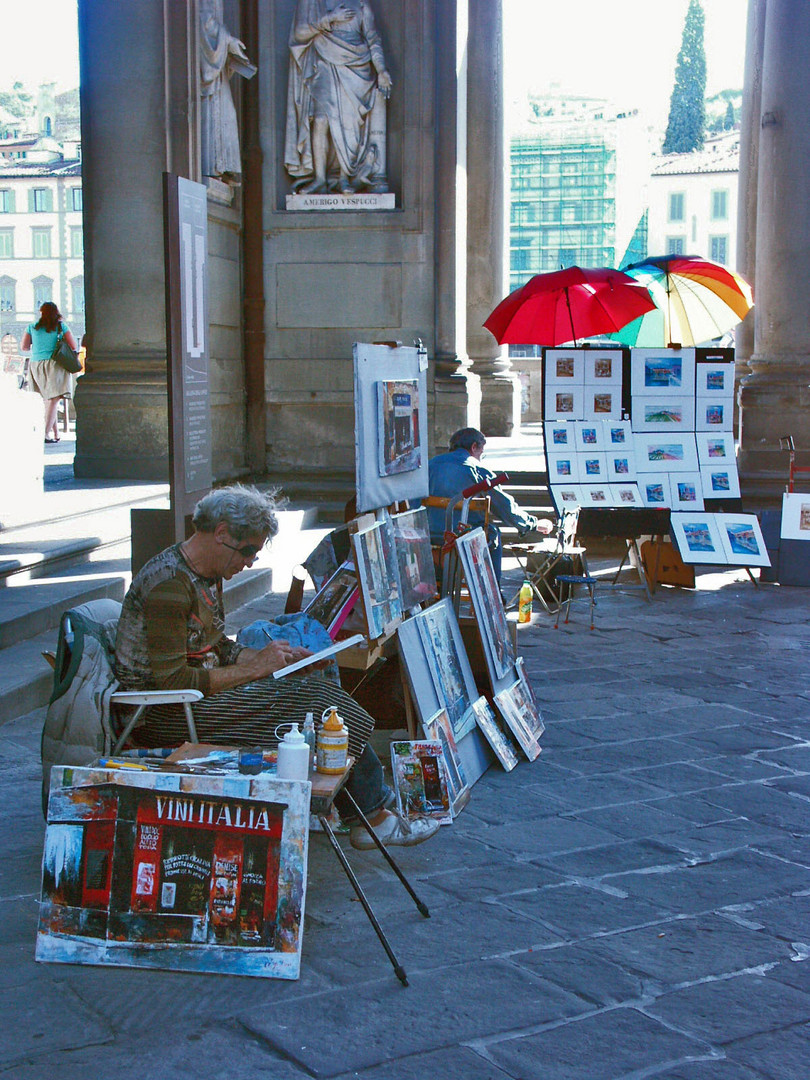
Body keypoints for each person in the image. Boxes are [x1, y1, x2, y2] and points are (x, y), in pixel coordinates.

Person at [114, 484, 438, 850]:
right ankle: (374, 814)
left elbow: (216, 646)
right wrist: (255, 669)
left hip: (190, 698)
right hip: (163, 712)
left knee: (317, 686)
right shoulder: (170, 585)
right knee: (316, 703)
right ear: (221, 534)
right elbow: (171, 679)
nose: (250, 561)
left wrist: (271, 658)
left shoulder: (202, 574)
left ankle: (368, 807)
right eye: (248, 549)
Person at [284, 0, 392, 194]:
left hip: (357, 68)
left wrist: (382, 70)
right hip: (324, 63)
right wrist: (329, 19)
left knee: (348, 125)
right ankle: (320, 179)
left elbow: (373, 39)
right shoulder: (312, 3)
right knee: (320, 119)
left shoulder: (361, 5)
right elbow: (299, 33)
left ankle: (344, 178)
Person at [427, 428, 554, 582]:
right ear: (474, 447)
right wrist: (531, 524)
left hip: (429, 533)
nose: (480, 457)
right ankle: (491, 592)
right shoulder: (476, 468)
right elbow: (503, 506)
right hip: (462, 535)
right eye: (481, 453)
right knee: (492, 534)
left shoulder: (431, 464)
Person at [199, 0, 256, 181]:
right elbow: (203, 21)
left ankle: (218, 169)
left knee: (226, 115)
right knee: (217, 114)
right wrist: (228, 41)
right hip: (208, 64)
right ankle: (212, 168)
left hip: (218, 64)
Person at [21, 301, 78, 444]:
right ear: (56, 313)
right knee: (54, 400)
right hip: (54, 365)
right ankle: (45, 433)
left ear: (41, 313)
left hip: (36, 365)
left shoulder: (31, 327)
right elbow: (73, 346)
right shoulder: (61, 326)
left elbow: (24, 347)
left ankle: (56, 433)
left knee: (48, 400)